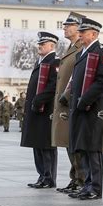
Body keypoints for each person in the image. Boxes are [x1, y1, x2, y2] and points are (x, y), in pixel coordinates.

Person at [64, 18, 103, 200]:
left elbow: (101, 80)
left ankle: (95, 187)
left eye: (84, 32)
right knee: (81, 147)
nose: (80, 34)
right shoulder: (81, 54)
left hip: (91, 107)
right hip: (79, 107)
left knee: (92, 148)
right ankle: (86, 184)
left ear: (94, 34)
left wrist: (85, 99)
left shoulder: (101, 52)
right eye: (80, 31)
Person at [52, 12, 86, 194]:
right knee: (68, 141)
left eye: (68, 25)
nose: (64, 28)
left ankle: (81, 179)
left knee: (75, 143)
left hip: (73, 99)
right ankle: (75, 178)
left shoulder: (82, 47)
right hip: (65, 100)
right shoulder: (71, 47)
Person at [21, 32, 60, 188]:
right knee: (37, 144)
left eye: (43, 44)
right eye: (39, 44)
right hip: (36, 109)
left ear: (51, 46)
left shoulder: (54, 61)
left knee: (46, 145)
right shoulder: (41, 61)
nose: (40, 46)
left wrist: (39, 99)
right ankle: (42, 175)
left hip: (46, 110)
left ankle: (49, 177)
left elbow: (53, 85)